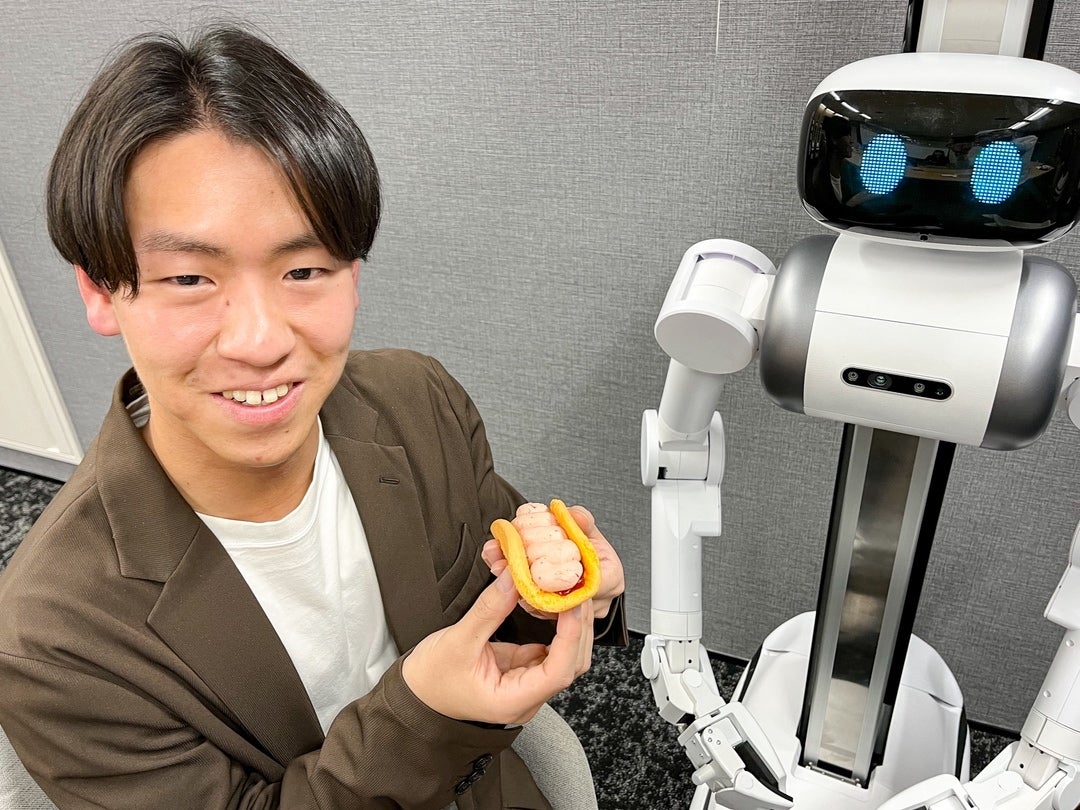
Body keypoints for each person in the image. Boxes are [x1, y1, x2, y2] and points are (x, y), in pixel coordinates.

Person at [0, 24, 626, 809]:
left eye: (303, 270)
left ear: (352, 274)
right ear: (100, 290)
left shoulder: (419, 402)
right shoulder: (53, 640)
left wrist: (559, 600)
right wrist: (424, 719)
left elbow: (493, 605)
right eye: (190, 279)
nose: (261, 341)